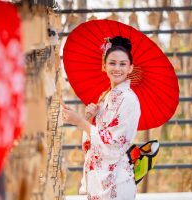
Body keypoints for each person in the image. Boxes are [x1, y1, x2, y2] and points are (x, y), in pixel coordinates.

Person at [62, 36, 141, 200]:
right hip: (99, 179)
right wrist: (91, 118)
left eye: (123, 64)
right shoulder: (105, 97)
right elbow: (91, 144)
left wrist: (79, 122)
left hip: (116, 183)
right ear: (104, 66)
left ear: (130, 68)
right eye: (112, 63)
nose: (117, 68)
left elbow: (114, 145)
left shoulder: (129, 100)